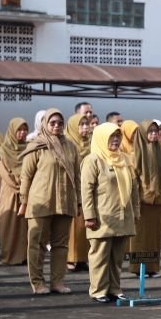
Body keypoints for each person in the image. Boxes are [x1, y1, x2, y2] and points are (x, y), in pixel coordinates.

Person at [18, 108, 80, 295]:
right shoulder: (37, 146)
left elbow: (76, 175)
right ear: (45, 124)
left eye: (60, 123)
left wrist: (78, 201)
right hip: (41, 202)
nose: (56, 126)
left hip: (65, 201)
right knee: (36, 243)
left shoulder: (71, 146)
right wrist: (24, 201)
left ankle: (57, 282)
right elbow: (26, 177)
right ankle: (37, 283)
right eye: (52, 123)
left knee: (61, 245)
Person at [82, 123, 140, 303]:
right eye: (111, 136)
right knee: (100, 255)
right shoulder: (93, 160)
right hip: (103, 217)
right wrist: (89, 215)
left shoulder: (124, 159)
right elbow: (86, 189)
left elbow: (134, 189)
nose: (115, 140)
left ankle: (115, 288)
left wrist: (136, 212)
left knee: (116, 256)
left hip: (123, 216)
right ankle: (98, 290)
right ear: (101, 138)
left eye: (117, 136)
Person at [128, 120, 161, 277]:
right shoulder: (136, 153)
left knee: (154, 237)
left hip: (157, 200)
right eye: (150, 131)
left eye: (156, 131)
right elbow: (134, 180)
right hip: (142, 201)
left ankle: (152, 268)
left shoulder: (160, 151)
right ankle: (138, 269)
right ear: (143, 133)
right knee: (140, 237)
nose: (154, 134)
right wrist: (135, 202)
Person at [0, 118, 28, 265]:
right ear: (12, 131)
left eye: (24, 130)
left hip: (25, 193)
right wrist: (19, 186)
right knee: (9, 225)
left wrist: (25, 188)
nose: (22, 133)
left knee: (24, 227)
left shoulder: (29, 149)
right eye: (19, 130)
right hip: (10, 192)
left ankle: (23, 256)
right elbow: (3, 172)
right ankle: (9, 256)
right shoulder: (3, 150)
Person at [65, 114, 92, 272]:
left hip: (88, 189)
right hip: (73, 189)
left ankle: (82, 258)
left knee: (84, 226)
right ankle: (70, 258)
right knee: (71, 227)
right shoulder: (68, 144)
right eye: (81, 125)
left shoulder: (91, 144)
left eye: (86, 124)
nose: (85, 128)